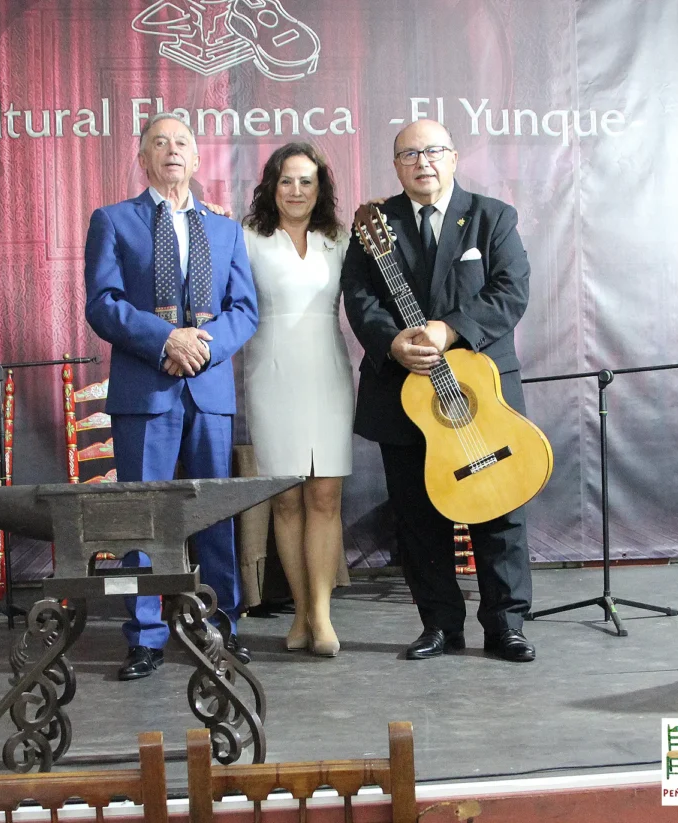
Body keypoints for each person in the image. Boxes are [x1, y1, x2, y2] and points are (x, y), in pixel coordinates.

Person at [340, 119, 537, 663]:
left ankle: (506, 625)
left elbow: (510, 291)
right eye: (409, 154)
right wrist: (393, 341)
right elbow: (358, 295)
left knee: (499, 511)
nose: (422, 162)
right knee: (418, 517)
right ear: (396, 165)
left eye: (433, 151)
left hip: (483, 395)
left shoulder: (493, 218)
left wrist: (448, 330)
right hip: (402, 395)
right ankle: (440, 627)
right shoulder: (375, 224)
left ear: (452, 157)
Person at [84, 113, 259, 680]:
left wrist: (201, 349)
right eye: (159, 142)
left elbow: (244, 311)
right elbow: (103, 304)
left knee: (214, 516)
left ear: (198, 157)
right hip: (145, 390)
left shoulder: (225, 229)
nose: (172, 150)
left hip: (208, 392)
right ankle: (145, 635)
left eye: (182, 142)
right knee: (143, 520)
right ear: (141, 157)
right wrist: (166, 340)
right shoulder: (113, 221)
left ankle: (221, 625)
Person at [242, 143, 353, 658]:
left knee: (325, 496)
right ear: (272, 185)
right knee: (286, 499)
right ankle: (302, 613)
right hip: (271, 376)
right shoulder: (247, 239)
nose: (296, 191)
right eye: (287, 181)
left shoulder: (341, 240)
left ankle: (323, 617)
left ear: (321, 188)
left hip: (328, 375)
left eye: (307, 181)